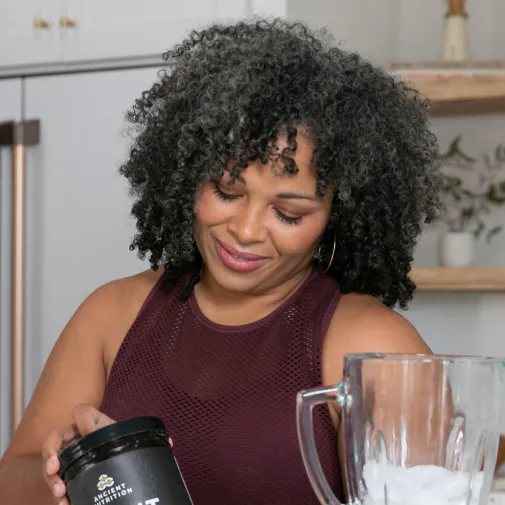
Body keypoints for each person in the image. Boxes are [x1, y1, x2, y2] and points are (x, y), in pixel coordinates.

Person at [0, 18, 450, 505]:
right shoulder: (112, 314)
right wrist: (72, 471)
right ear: (188, 176)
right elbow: (13, 479)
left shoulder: (372, 347)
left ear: (337, 218)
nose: (247, 230)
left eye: (288, 213)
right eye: (227, 191)